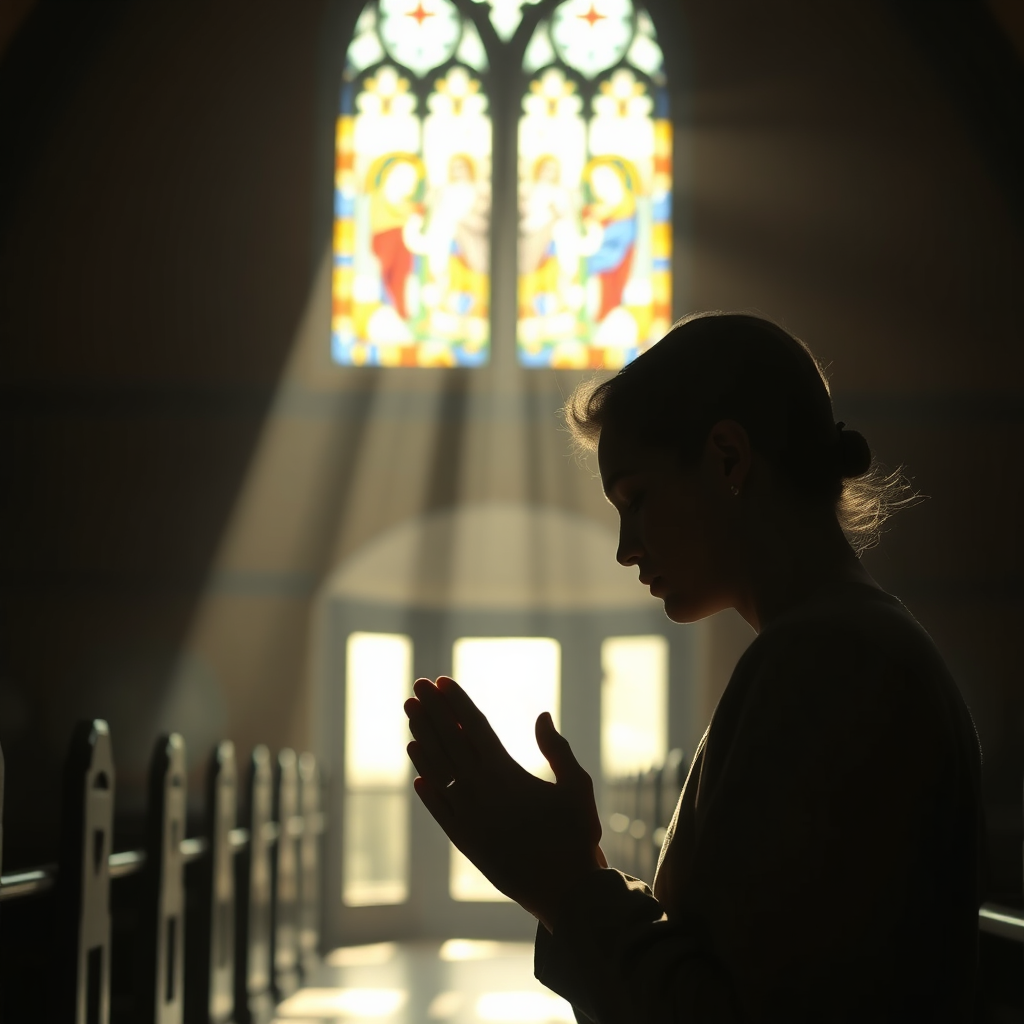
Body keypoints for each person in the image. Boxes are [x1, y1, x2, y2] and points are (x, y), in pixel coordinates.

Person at [404, 312, 982, 1023]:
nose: (625, 548)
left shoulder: (833, 663)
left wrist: (566, 886)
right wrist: (575, 874)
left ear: (728, 459)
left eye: (637, 499)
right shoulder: (829, 646)